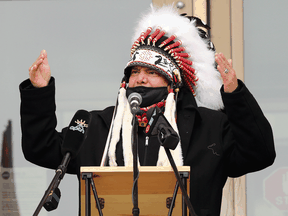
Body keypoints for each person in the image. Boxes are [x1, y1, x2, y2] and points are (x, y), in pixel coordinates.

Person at [20, 5, 275, 216]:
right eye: (135, 71)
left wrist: (235, 94)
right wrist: (39, 92)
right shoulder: (98, 126)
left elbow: (260, 153)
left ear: (173, 80)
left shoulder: (209, 128)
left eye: (152, 72)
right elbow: (41, 147)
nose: (140, 79)